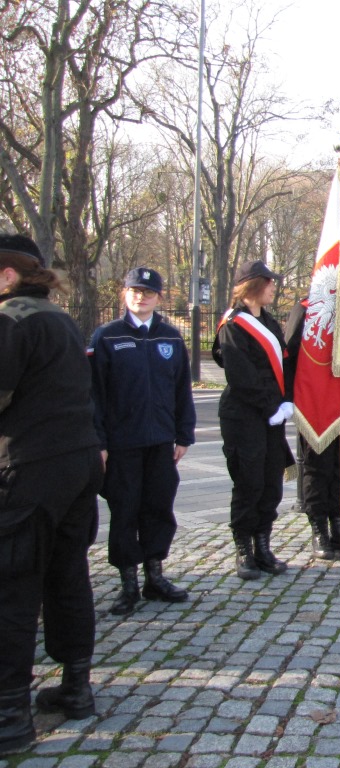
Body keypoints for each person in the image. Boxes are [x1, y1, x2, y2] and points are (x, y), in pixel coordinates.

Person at [0, 234, 104, 749]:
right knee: (67, 576)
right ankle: (75, 687)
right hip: (77, 463)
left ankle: (10, 717)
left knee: (13, 587)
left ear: (7, 274)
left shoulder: (11, 320)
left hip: (31, 468)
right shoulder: (60, 319)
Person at [88, 267, 196, 615]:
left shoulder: (171, 338)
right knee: (125, 511)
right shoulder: (106, 337)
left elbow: (182, 391)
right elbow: (94, 396)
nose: (141, 297)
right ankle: (128, 583)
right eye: (135, 290)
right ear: (124, 293)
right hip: (123, 444)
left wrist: (183, 434)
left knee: (158, 508)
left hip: (161, 441)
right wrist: (99, 441)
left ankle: (155, 576)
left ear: (158, 297)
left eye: (148, 292)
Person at [213, 260, 294, 579]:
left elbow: (285, 365)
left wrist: (287, 401)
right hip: (243, 414)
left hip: (272, 414)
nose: (274, 287)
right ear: (253, 285)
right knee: (248, 482)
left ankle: (263, 545)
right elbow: (241, 374)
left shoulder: (271, 323)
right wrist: (270, 405)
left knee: (271, 481)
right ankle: (244, 550)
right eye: (269, 282)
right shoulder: (233, 325)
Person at [283, 300, 340, 559]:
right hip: (316, 404)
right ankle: (319, 528)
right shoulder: (306, 307)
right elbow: (291, 355)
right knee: (317, 468)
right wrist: (290, 398)